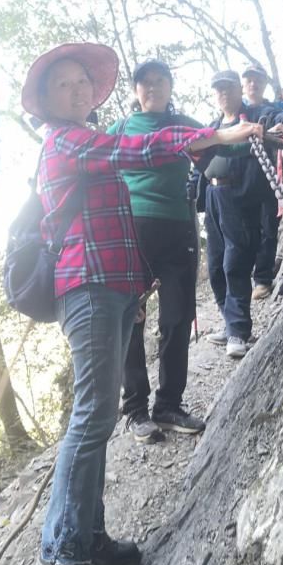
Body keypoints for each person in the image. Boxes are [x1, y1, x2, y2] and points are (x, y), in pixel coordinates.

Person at [22, 42, 262, 565]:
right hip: (87, 288)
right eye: (65, 85)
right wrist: (214, 136)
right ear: (49, 102)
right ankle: (60, 552)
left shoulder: (78, 139)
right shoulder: (69, 141)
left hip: (109, 286)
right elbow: (136, 148)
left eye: (83, 81)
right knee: (92, 416)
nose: (78, 90)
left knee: (98, 416)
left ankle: (88, 535)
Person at [107, 59, 205, 444]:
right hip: (132, 230)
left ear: (169, 86)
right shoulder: (123, 129)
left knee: (177, 318)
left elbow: (224, 145)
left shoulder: (185, 125)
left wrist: (257, 134)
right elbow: (99, 167)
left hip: (178, 227)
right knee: (132, 318)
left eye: (159, 81)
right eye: (145, 83)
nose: (152, 88)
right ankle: (135, 410)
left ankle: (169, 405)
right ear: (136, 91)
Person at [197, 69, 283, 359]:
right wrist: (194, 194)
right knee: (215, 264)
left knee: (234, 261)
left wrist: (279, 127)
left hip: (240, 195)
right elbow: (197, 161)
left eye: (228, 88)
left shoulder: (255, 115)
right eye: (218, 89)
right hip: (213, 196)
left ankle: (238, 329)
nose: (223, 93)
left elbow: (275, 120)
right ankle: (229, 323)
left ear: (239, 90)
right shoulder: (212, 126)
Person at [241, 64, 283, 300]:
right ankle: (249, 274)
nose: (253, 84)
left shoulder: (272, 108)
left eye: (257, 80)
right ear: (243, 84)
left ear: (264, 84)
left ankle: (262, 279)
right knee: (245, 231)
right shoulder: (235, 110)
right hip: (240, 180)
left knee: (268, 227)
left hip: (266, 175)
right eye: (249, 80)